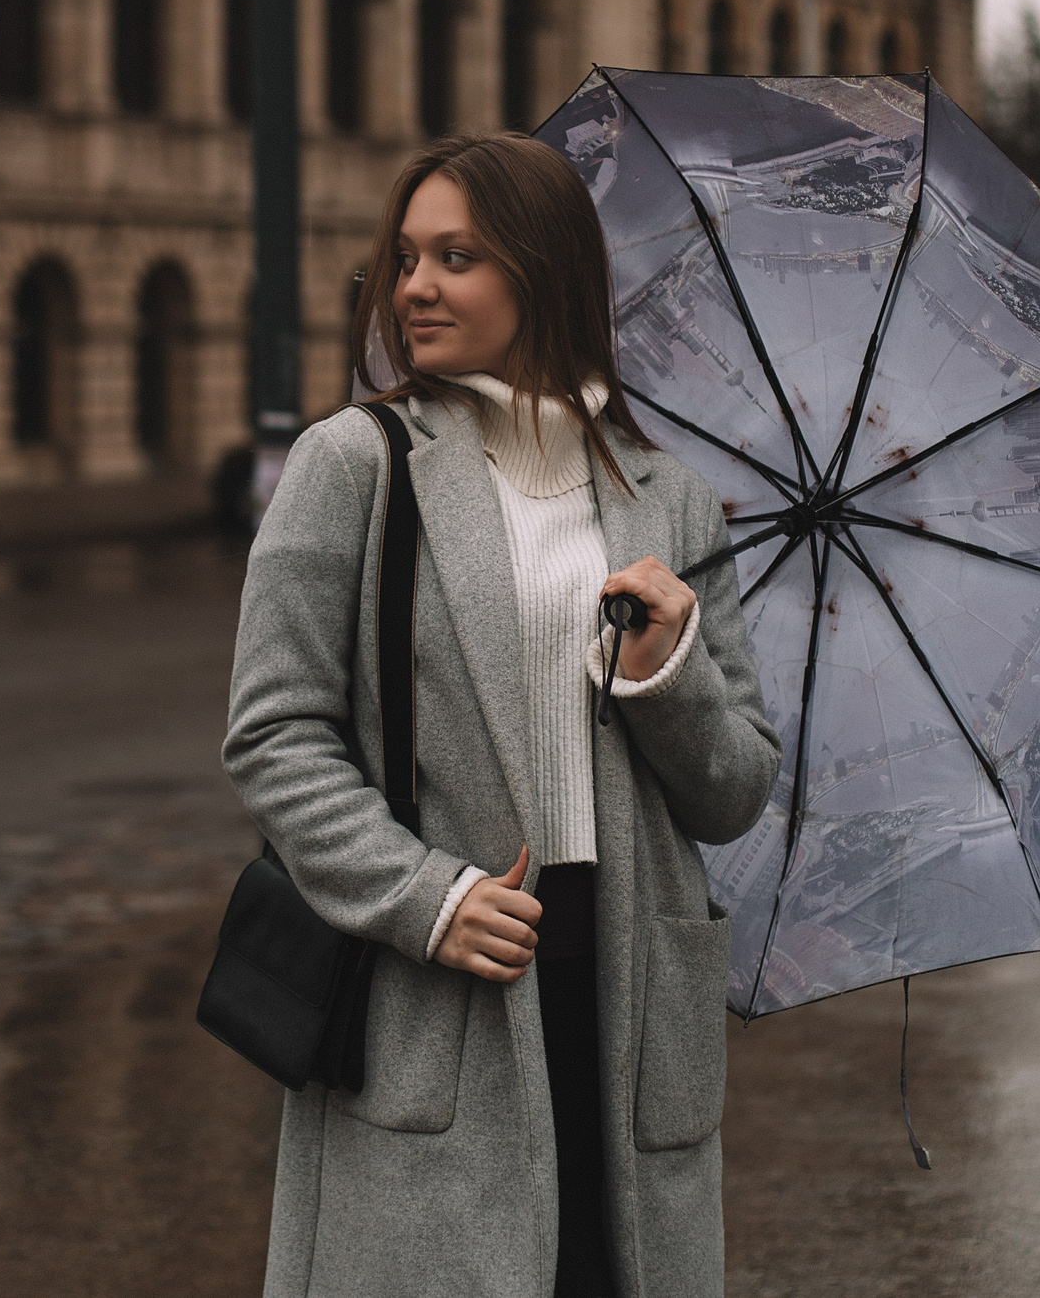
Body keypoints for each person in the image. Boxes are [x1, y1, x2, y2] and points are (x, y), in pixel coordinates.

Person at [224, 131, 780, 1298]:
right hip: (445, 980)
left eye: (458, 256)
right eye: (407, 257)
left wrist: (666, 667)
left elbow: (733, 792)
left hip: (630, 985)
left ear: (542, 270)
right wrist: (425, 897)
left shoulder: (666, 497)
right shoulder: (357, 463)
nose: (415, 286)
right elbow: (275, 733)